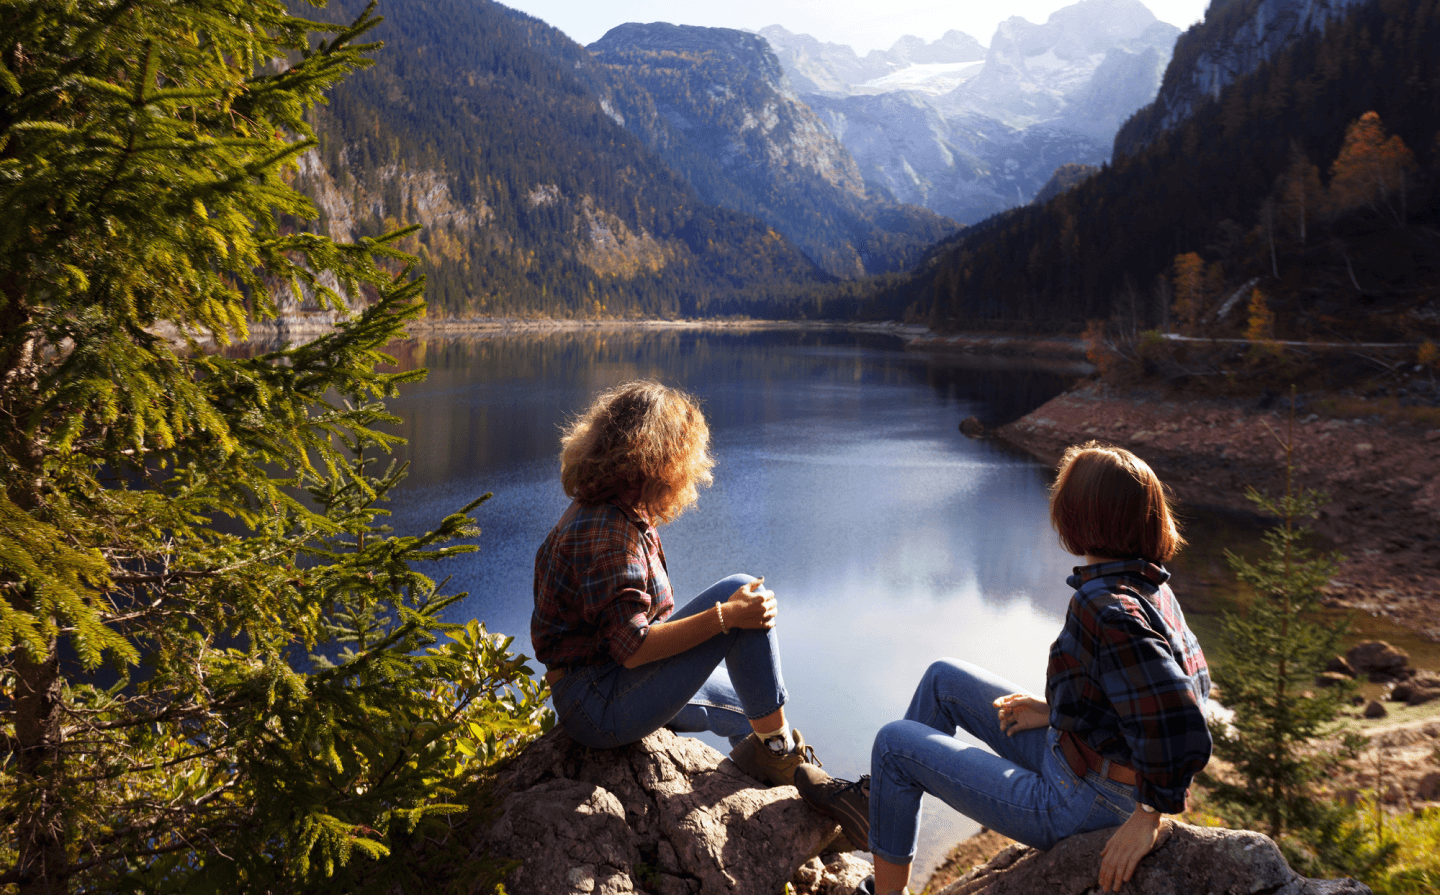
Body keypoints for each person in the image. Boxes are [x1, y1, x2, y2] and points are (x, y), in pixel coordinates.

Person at [798, 442, 1212, 894]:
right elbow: (1135, 690)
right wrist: (1055, 709)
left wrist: (1147, 815)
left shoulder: (1106, 606)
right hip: (1078, 760)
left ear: (1079, 517)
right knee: (943, 680)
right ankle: (875, 806)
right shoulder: (1149, 586)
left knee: (894, 745)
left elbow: (1183, 723)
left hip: (1083, 801)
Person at [532, 379, 819, 786]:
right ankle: (784, 766)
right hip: (598, 703)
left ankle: (782, 767)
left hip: (608, 683)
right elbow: (633, 649)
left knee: (756, 713)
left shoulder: (614, 509)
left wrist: (730, 617)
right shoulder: (607, 530)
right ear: (657, 459)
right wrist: (727, 617)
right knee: (737, 596)